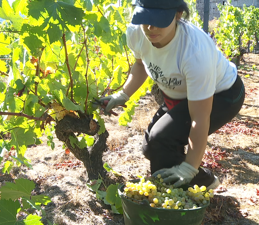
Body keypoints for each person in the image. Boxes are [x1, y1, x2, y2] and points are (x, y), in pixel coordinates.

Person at [100, 0, 245, 189]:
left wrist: (188, 168)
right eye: (145, 19)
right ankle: (203, 179)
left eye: (158, 20)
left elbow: (199, 119)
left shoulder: (194, 51)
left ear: (177, 15)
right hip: (180, 95)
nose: (150, 27)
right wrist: (123, 94)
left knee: (161, 139)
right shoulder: (137, 33)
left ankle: (177, 197)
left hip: (223, 95)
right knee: (151, 147)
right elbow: (140, 64)